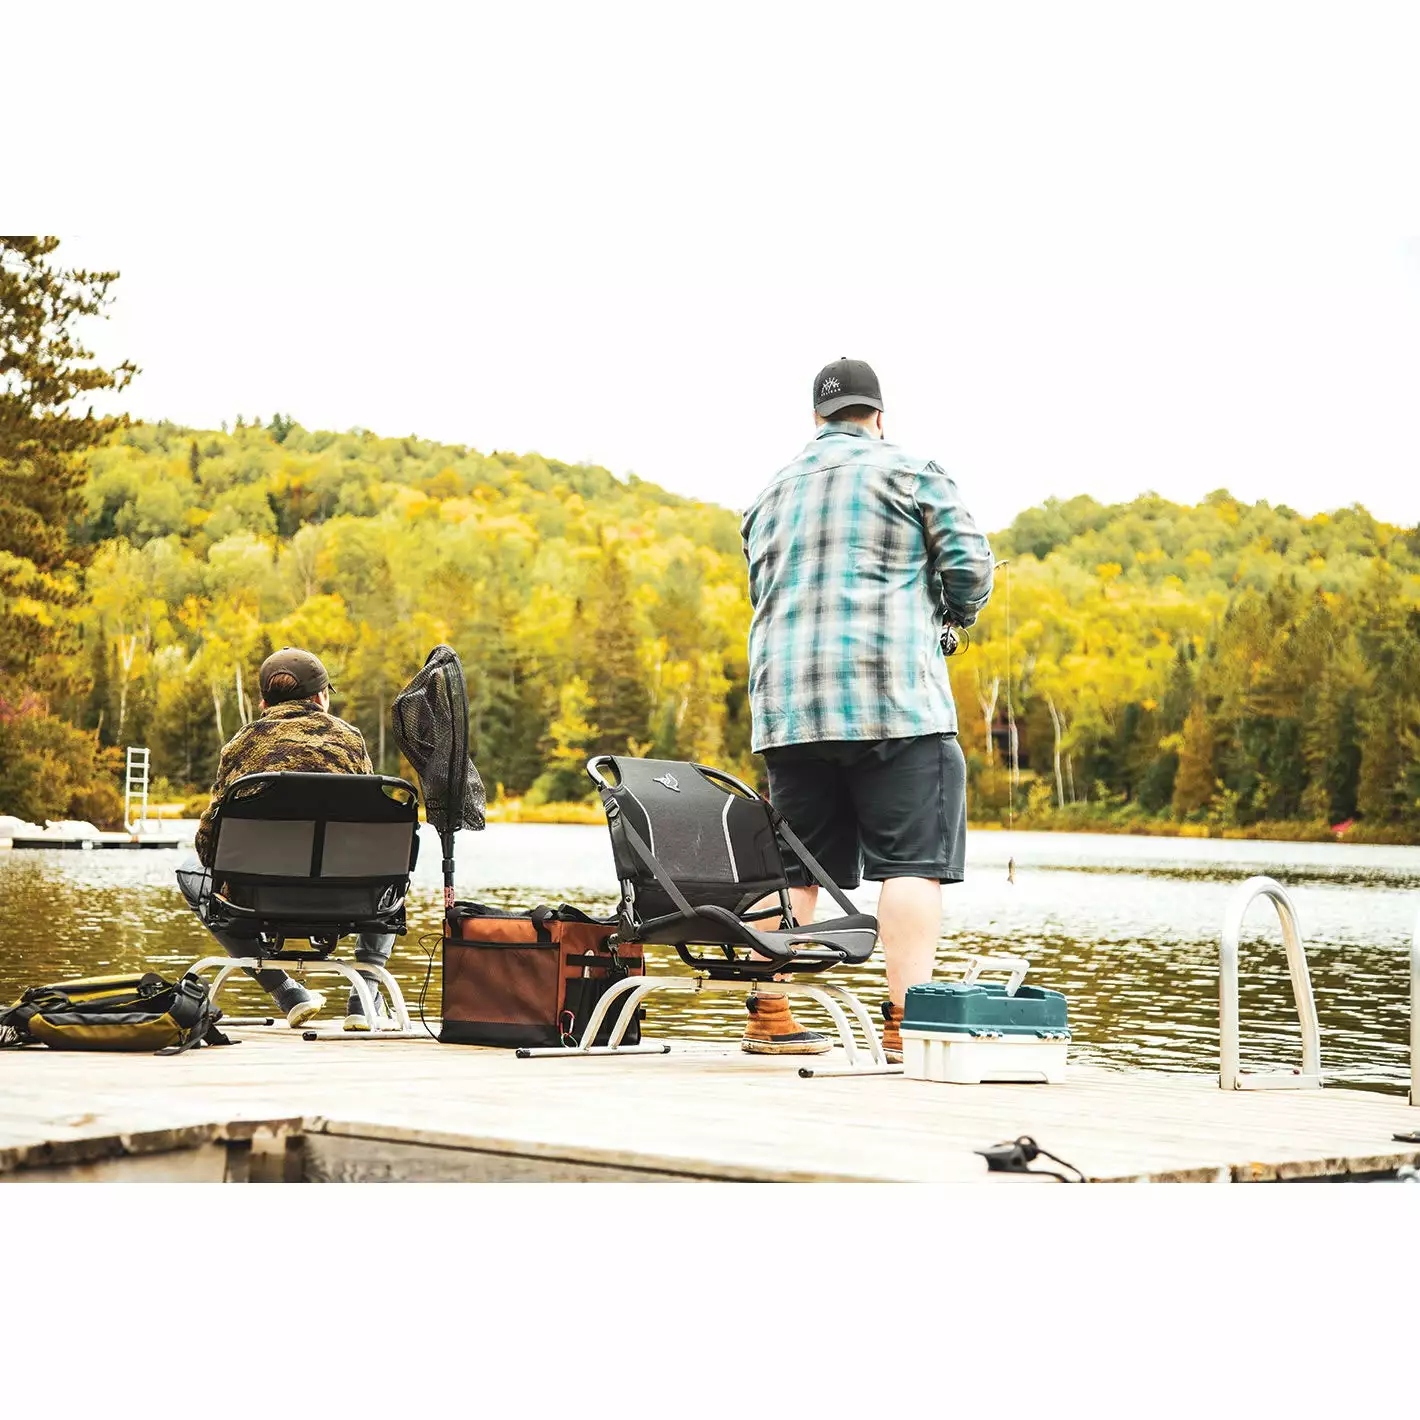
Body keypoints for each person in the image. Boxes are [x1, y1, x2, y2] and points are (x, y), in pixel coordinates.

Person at [739, 357, 995, 1060]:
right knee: (912, 865)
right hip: (897, 705)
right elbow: (971, 567)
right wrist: (955, 616)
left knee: (794, 869)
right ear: (879, 416)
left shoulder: (767, 495)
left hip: (789, 713)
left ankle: (769, 1013)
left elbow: (761, 592)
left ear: (817, 417)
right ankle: (904, 1024)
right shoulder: (913, 473)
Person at [178, 647, 395, 1031]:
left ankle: (286, 992)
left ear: (263, 702)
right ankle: (365, 997)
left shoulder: (240, 745)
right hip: (344, 898)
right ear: (321, 697)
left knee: (188, 871)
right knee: (390, 860)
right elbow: (370, 835)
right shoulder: (350, 740)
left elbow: (208, 845)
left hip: (256, 900)